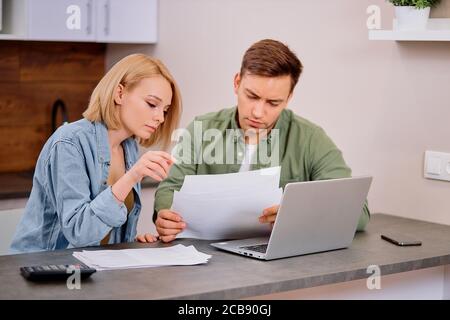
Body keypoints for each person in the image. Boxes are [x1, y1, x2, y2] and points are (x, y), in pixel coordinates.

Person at [152, 39, 370, 243]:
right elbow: (170, 188)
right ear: (237, 83)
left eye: (273, 103)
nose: (258, 112)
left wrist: (298, 216)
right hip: (205, 258)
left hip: (274, 263)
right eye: (252, 96)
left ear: (289, 98)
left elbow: (358, 212)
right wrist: (164, 215)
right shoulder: (201, 129)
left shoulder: (311, 139)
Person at [10, 54, 181, 253]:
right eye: (152, 104)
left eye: (165, 110)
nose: (160, 117)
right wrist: (132, 175)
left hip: (93, 270)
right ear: (119, 94)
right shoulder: (69, 142)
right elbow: (80, 233)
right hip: (45, 271)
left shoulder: (129, 147)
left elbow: (104, 231)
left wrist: (133, 241)